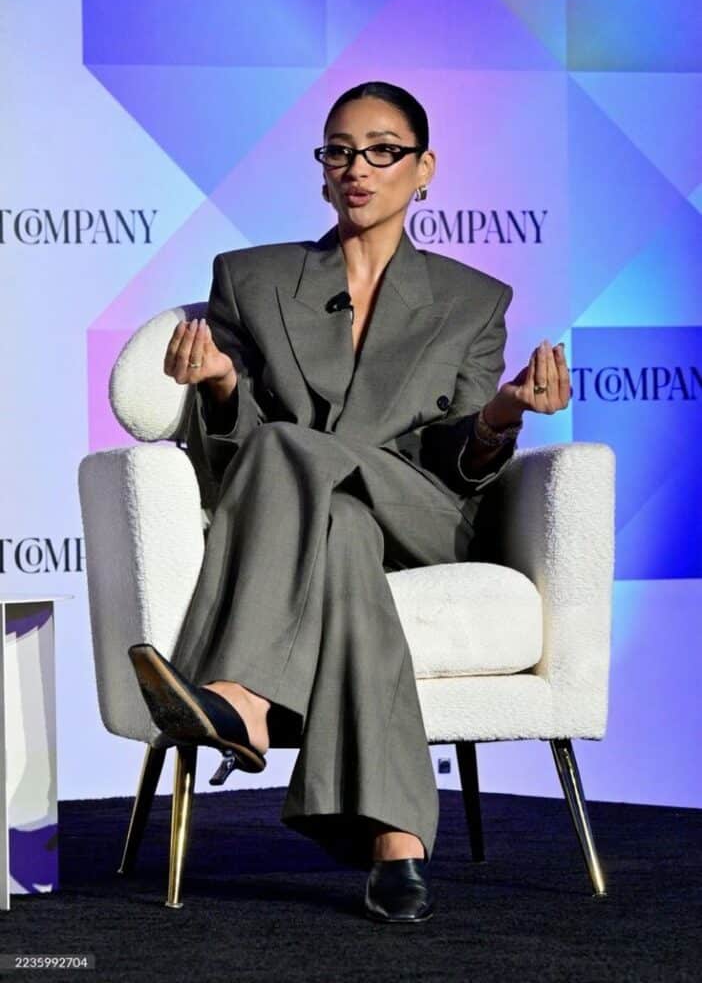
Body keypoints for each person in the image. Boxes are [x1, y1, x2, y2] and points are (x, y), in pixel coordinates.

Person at [128, 81, 571, 924]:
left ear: (423, 168)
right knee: (331, 517)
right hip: (303, 521)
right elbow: (233, 451)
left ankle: (242, 697)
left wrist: (502, 415)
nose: (357, 168)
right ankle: (397, 839)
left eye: (381, 151)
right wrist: (220, 384)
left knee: (293, 448)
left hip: (419, 514)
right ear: (322, 169)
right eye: (338, 151)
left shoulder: (475, 300)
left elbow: (456, 462)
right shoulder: (251, 278)